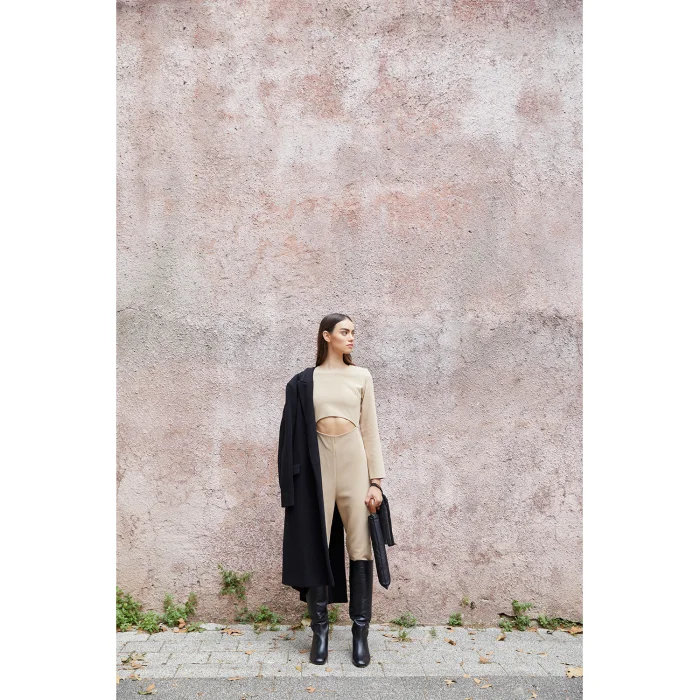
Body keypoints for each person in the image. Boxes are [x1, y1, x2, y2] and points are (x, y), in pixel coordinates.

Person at [278, 313, 386, 668]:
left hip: (355, 464)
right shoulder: (305, 381)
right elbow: (289, 436)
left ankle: (360, 634)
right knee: (316, 545)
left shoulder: (361, 376)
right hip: (317, 466)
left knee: (360, 546)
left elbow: (370, 429)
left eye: (353, 332)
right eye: (344, 331)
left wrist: (376, 481)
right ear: (327, 336)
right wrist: (290, 485)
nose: (351, 337)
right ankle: (320, 632)